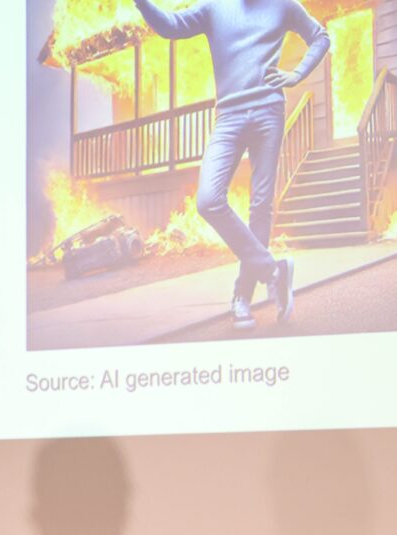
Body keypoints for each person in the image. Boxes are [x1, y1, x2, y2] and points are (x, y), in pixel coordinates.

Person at [133, 0, 330, 329]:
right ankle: (274, 271)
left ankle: (242, 297)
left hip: (269, 112)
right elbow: (170, 26)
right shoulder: (214, 7)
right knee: (208, 200)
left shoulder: (283, 5)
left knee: (261, 206)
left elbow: (320, 37)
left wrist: (297, 74)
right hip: (228, 118)